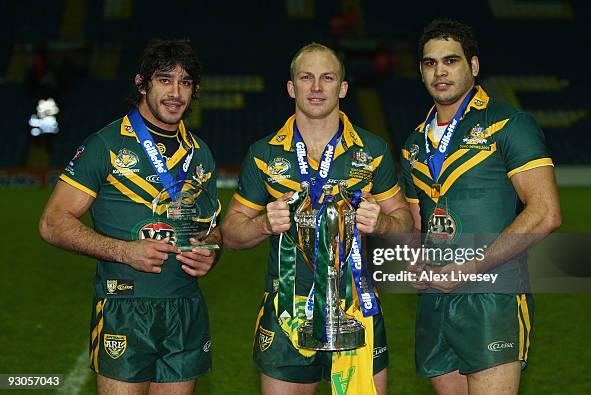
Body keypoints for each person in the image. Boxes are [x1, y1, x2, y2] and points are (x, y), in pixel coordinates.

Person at [221, 42, 412, 395]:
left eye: (327, 78)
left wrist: (382, 224)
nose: (316, 87)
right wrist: (263, 223)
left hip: (357, 310)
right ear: (291, 87)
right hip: (286, 314)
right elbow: (230, 235)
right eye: (306, 77)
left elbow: (405, 224)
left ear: (343, 87)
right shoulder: (264, 154)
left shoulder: (372, 151)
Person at [39, 38, 221, 395]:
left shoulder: (200, 154)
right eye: (164, 79)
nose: (175, 92)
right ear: (142, 84)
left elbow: (211, 233)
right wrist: (124, 251)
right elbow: (52, 223)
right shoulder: (105, 144)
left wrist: (210, 253)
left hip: (184, 306)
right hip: (124, 304)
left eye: (185, 83)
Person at [400, 19, 562, 395]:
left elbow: (546, 212)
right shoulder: (413, 144)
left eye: (450, 60)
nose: (439, 71)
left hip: (493, 295)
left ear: (472, 66)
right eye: (429, 63)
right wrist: (412, 259)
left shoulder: (508, 123)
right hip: (436, 299)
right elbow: (416, 222)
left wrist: (471, 267)